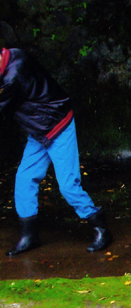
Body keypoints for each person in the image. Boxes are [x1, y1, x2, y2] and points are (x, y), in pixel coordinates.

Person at [0, 47, 112, 256]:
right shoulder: (15, 54)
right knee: (24, 179)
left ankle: (101, 228)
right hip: (39, 128)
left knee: (68, 185)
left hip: (57, 124)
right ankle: (30, 236)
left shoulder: (12, 78)